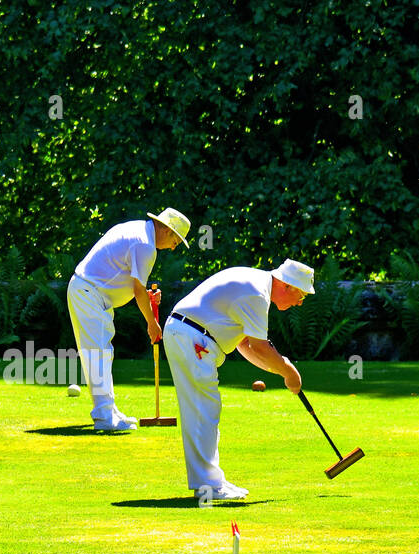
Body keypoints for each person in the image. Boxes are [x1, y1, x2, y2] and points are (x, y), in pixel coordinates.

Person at [161, 259, 314, 499]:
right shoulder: (257, 294)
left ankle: (212, 480)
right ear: (286, 285)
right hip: (193, 338)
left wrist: (280, 371)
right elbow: (260, 347)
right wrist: (288, 371)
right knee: (203, 410)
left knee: (205, 409)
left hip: (188, 335)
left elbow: (245, 345)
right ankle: (208, 486)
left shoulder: (255, 284)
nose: (299, 302)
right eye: (300, 295)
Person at [67, 208, 191, 432]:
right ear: (164, 229)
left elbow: (131, 280)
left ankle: (109, 410)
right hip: (89, 293)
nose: (175, 247)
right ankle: (104, 416)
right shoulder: (145, 245)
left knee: (103, 352)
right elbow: (137, 289)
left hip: (91, 293)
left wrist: (146, 295)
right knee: (98, 352)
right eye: (175, 239)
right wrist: (152, 324)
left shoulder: (138, 231)